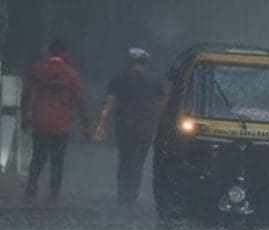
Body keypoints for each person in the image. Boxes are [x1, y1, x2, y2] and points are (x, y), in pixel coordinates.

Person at [21, 38, 91, 204]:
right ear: (64, 52)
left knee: (38, 156)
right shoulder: (72, 74)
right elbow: (80, 100)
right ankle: (54, 194)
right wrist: (86, 125)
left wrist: (24, 117)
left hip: (41, 121)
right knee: (57, 160)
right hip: (61, 124)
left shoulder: (36, 69)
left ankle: (32, 187)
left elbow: (26, 95)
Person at [94, 48, 164, 208]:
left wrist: (101, 125)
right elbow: (161, 108)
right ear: (145, 63)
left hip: (125, 127)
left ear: (129, 62)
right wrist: (163, 130)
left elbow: (109, 104)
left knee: (125, 160)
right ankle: (132, 196)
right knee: (138, 163)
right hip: (145, 128)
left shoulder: (119, 79)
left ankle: (122, 196)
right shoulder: (155, 82)